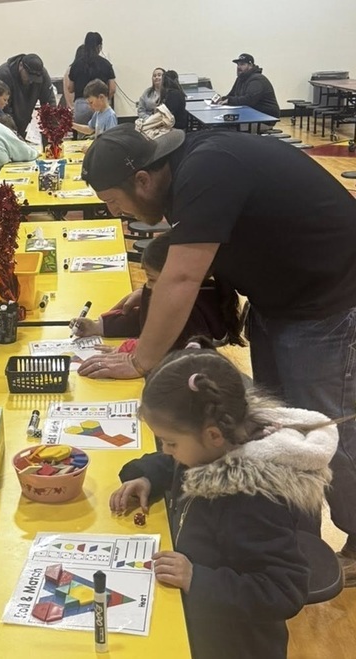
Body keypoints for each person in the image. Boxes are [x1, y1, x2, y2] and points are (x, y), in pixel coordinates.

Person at [80, 123, 356, 582]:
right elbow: (192, 254)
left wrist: (138, 359)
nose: (118, 212)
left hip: (326, 300)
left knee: (327, 429)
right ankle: (295, 539)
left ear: (143, 180)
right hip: (282, 298)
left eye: (114, 200)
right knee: (276, 425)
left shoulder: (205, 168)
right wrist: (150, 292)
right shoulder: (186, 165)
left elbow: (185, 277)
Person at [111, 348, 337, 659]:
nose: (166, 450)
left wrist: (198, 579)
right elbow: (177, 464)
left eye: (170, 442)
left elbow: (285, 589)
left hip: (236, 645)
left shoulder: (253, 500)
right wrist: (149, 476)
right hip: (198, 625)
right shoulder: (211, 445)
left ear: (214, 435)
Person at [70, 230, 243, 350]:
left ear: (178, 274)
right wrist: (97, 327)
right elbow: (143, 322)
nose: (148, 286)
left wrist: (131, 351)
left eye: (152, 279)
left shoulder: (190, 311)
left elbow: (174, 351)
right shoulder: (182, 296)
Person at [0, 53, 56, 137]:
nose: (31, 81)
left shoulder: (41, 73)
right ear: (21, 65)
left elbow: (49, 103)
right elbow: (3, 110)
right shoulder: (4, 74)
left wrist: (52, 131)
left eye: (35, 79)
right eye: (29, 76)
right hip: (4, 126)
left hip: (24, 124)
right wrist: (14, 134)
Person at [67, 32, 116, 125]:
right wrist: (105, 100)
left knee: (83, 135)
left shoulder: (76, 64)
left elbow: (70, 88)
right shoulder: (106, 64)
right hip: (101, 103)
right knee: (103, 135)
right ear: (100, 47)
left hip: (81, 104)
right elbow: (112, 89)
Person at [215, 53, 280, 118]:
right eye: (238, 64)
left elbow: (249, 100)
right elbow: (232, 95)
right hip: (251, 114)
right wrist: (222, 99)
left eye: (242, 64)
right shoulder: (240, 78)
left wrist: (229, 100)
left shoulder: (257, 80)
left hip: (265, 117)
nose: (239, 67)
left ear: (250, 65)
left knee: (229, 126)